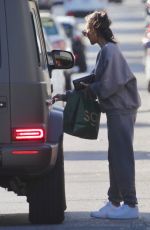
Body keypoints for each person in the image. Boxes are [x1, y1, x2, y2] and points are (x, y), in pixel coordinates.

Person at [52, 10, 141, 219]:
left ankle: (130, 204)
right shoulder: (106, 51)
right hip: (117, 110)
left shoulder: (110, 51)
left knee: (121, 156)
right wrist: (66, 95)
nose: (85, 33)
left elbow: (107, 85)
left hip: (122, 110)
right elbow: (95, 82)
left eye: (87, 28)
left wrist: (85, 90)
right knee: (115, 157)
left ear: (96, 29)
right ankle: (115, 202)